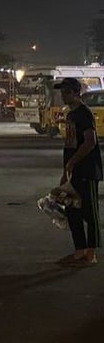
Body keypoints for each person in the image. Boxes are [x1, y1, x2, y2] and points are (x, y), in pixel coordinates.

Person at [54, 77, 101, 267]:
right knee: (73, 211)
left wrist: (72, 163)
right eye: (62, 92)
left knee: (90, 213)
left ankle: (91, 253)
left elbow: (90, 142)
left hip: (87, 171)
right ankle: (79, 250)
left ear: (76, 93)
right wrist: (66, 170)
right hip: (73, 171)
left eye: (67, 92)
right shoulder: (71, 115)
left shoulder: (84, 113)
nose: (63, 96)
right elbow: (71, 144)